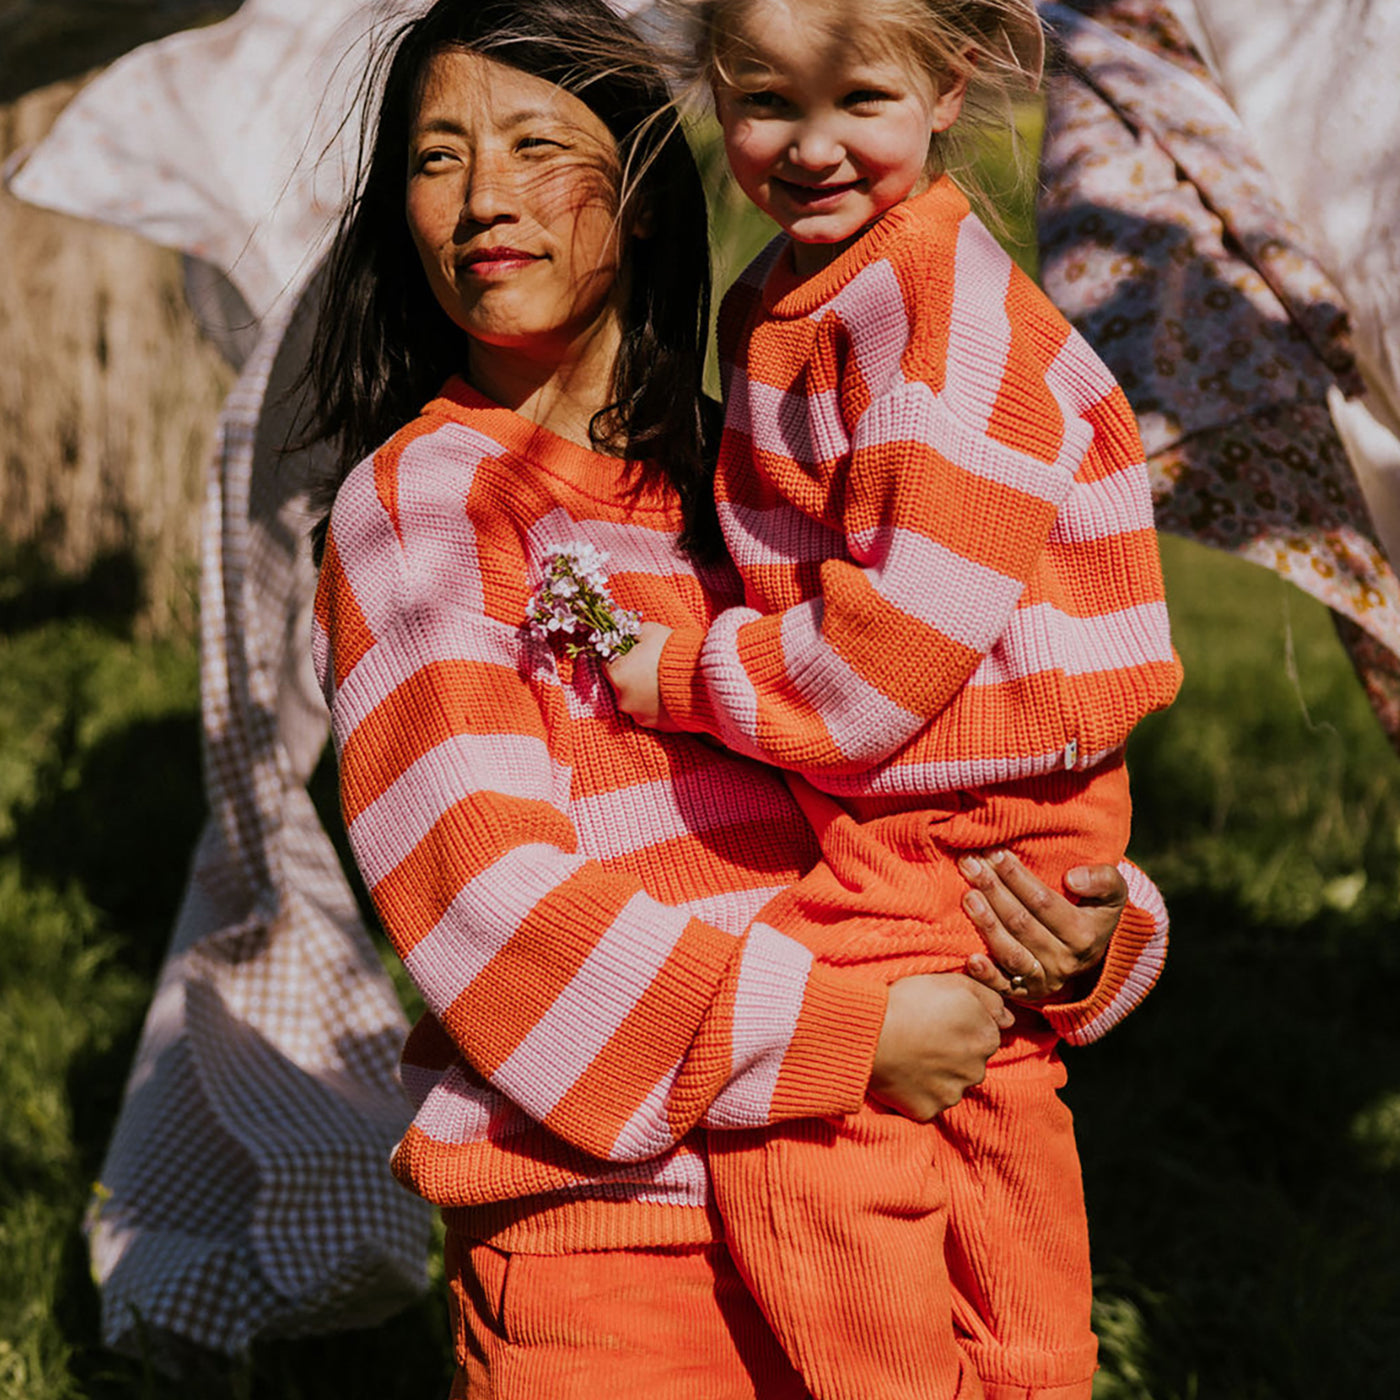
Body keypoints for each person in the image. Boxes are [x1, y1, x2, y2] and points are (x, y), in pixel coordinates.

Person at [309, 0, 1163, 1395]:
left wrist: (1089, 939)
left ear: (646, 196)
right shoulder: (428, 508)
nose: (484, 202)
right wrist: (852, 1037)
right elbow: (487, 899)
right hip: (622, 1253)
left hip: (895, 1217)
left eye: (537, 147)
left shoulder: (769, 484)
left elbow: (950, 776)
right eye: (436, 158)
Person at [602, 2, 1180, 1396]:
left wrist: (680, 673)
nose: (807, 147)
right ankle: (1027, 1366)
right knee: (993, 1099)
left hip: (964, 785)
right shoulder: (813, 287)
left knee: (814, 1113)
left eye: (856, 96)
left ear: (946, 84)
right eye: (762, 102)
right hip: (949, 781)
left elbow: (880, 663)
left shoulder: (943, 329)